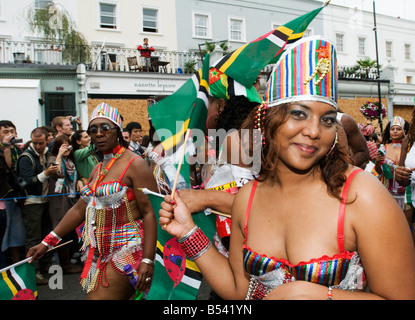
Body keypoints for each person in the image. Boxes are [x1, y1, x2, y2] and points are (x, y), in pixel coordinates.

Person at [158, 36, 415, 300]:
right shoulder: (247, 199)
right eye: (298, 114)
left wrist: (315, 295)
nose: (314, 131)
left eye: (327, 120)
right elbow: (238, 291)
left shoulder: (362, 196)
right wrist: (188, 232)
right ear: (267, 119)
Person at [27, 102, 158, 300]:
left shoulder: (135, 164)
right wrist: (47, 242)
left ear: (117, 131)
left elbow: (150, 212)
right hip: (100, 251)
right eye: (93, 129)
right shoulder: (98, 169)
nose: (98, 134)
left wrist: (148, 259)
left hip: (129, 249)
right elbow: (80, 209)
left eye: (105, 128)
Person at [17, 127, 59, 284]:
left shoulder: (48, 152)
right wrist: (46, 174)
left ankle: (45, 267)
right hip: (32, 202)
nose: (39, 146)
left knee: (47, 235)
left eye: (41, 143)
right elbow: (26, 182)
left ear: (46, 140)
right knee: (33, 238)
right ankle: (33, 273)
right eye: (35, 143)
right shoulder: (25, 158)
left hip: (46, 200)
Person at [46, 134, 83, 274]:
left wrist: (79, 180)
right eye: (62, 145)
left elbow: (75, 175)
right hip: (60, 202)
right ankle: (65, 265)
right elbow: (59, 173)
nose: (66, 148)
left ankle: (68, 261)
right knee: (63, 232)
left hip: (72, 199)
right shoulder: (53, 159)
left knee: (72, 232)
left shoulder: (70, 160)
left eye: (68, 144)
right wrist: (59, 155)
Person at [0, 120, 26, 266]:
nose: (10, 134)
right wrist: (7, 147)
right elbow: (7, 168)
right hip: (4, 197)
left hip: (16, 195)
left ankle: (16, 266)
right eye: (5, 131)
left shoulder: (18, 149)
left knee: (17, 233)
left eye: (12, 131)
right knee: (5, 234)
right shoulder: (5, 149)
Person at [375, 116, 410, 211]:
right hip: (388, 193)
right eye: (392, 129)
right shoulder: (383, 148)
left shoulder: (410, 149)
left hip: (406, 195)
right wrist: (377, 162)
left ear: (405, 132)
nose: (395, 131)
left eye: (398, 129)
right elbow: (379, 172)